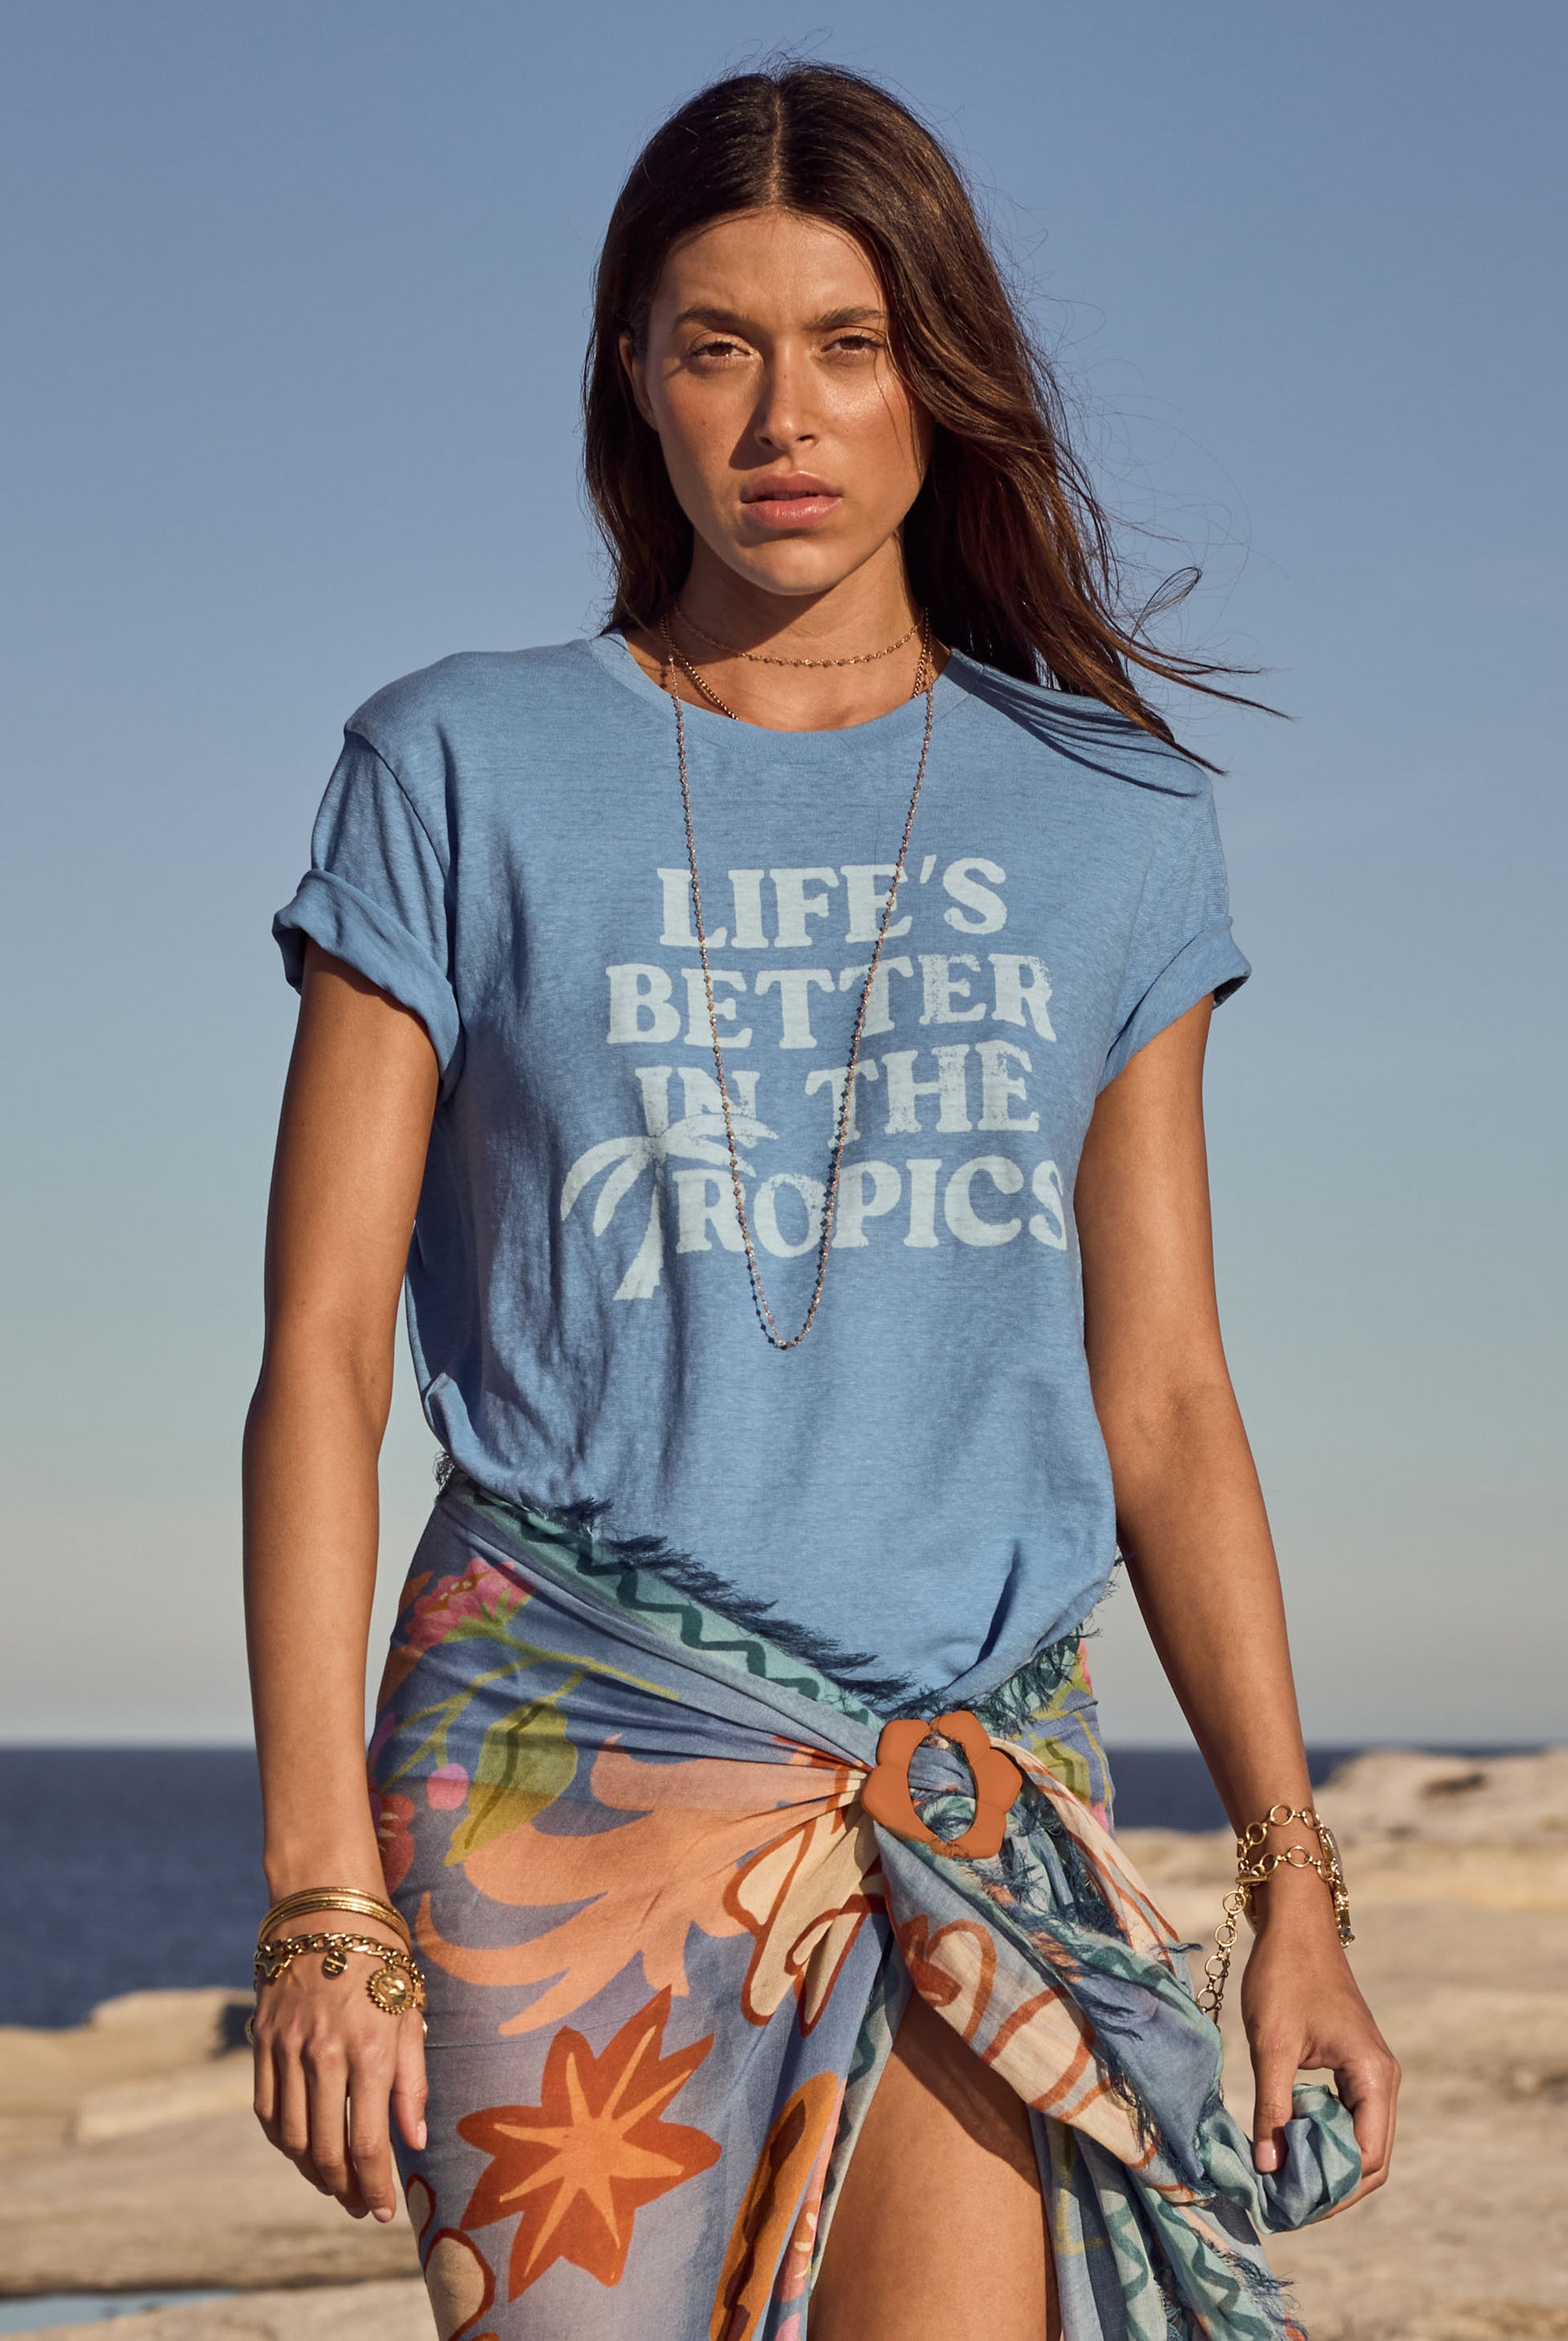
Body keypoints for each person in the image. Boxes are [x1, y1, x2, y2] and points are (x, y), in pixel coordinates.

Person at [245, 60, 1398, 2341]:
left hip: (959, 1777)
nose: (784, 414)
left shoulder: (1112, 817)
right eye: (715, 343)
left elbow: (1157, 1385)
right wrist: (315, 1898)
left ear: (934, 377)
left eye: (847, 343)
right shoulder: (455, 763)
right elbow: (319, 1356)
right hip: (551, 1785)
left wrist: (1292, 1883)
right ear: (633, 378)